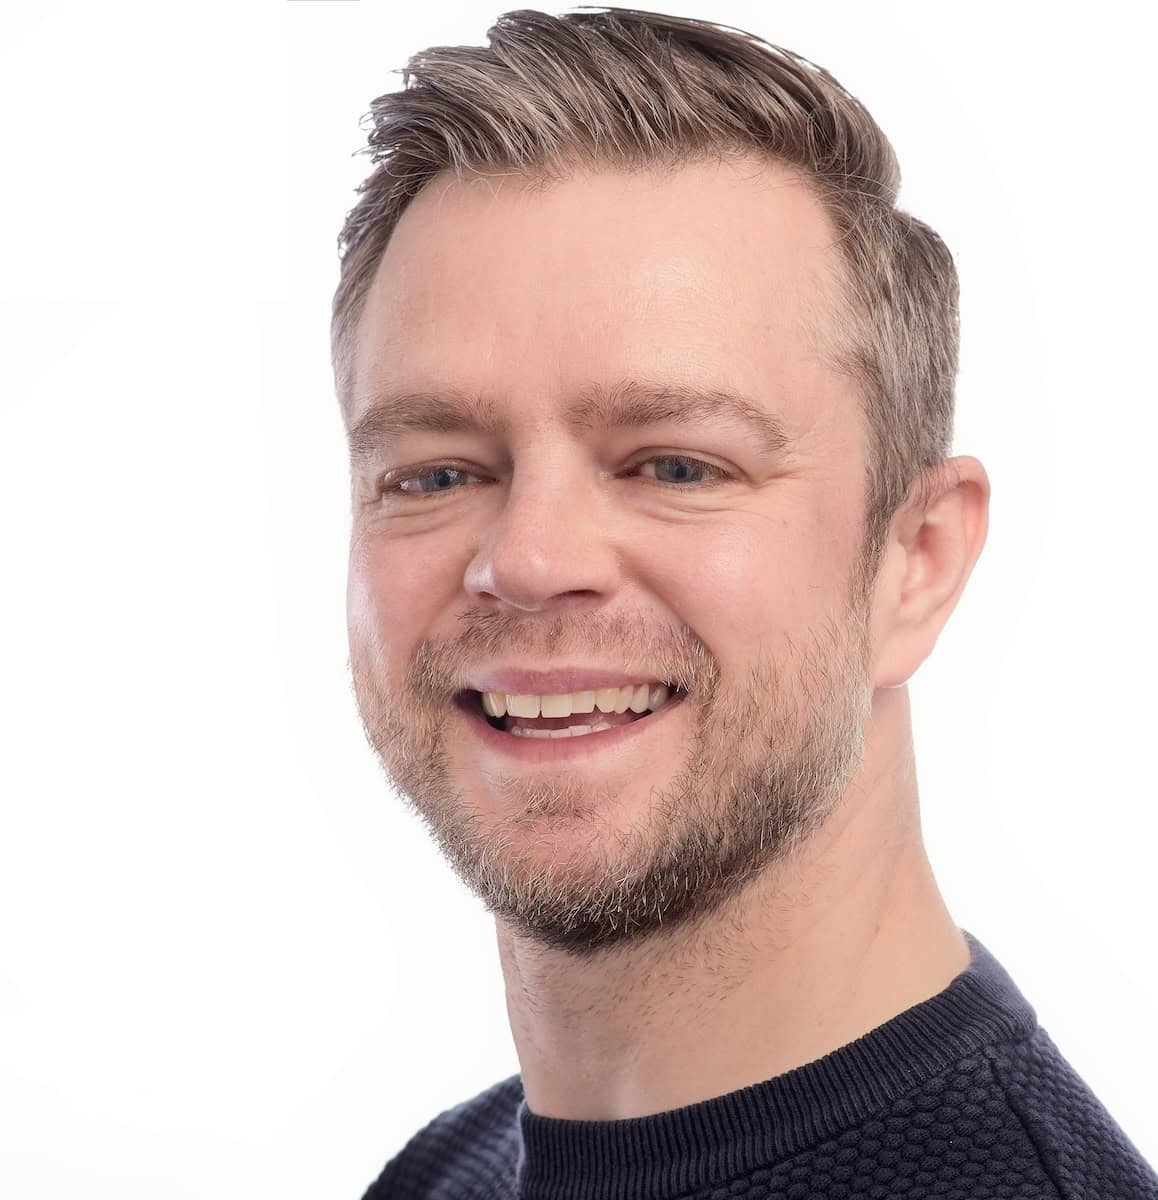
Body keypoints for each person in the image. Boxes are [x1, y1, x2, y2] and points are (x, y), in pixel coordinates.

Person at [334, 7, 1158, 1198]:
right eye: (438, 473)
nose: (525, 557)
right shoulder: (445, 1175)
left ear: (916, 560)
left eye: (676, 464)